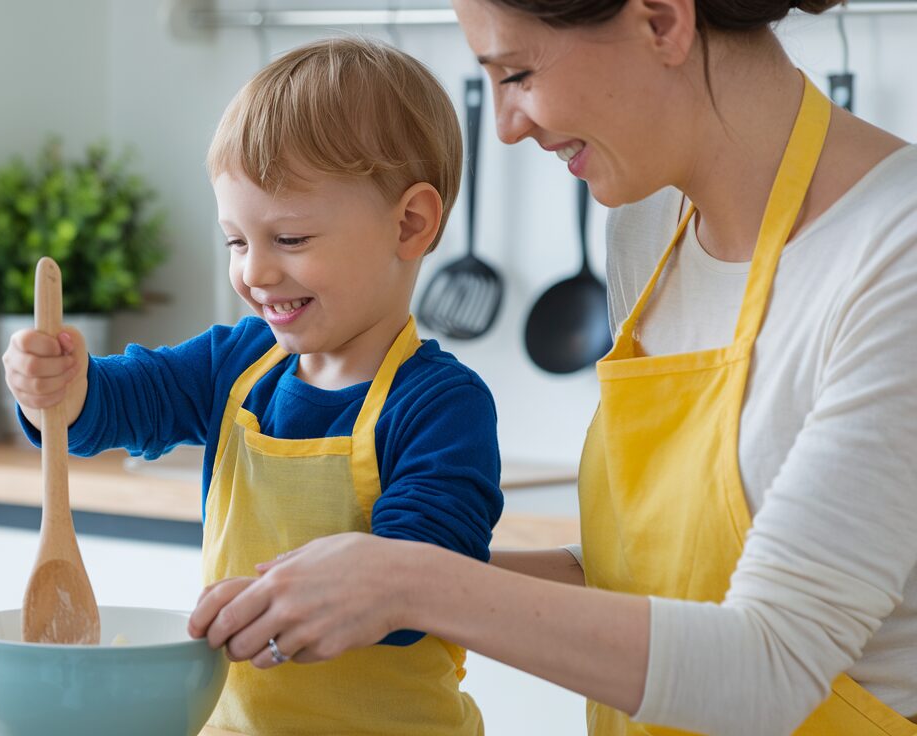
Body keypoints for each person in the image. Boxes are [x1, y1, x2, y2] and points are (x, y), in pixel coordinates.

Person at [188, 1, 917, 735]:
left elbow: (772, 670)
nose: (505, 126)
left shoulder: (896, 254)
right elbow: (645, 574)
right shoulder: (651, 224)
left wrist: (409, 581)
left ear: (661, 21)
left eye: (518, 73)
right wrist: (356, 583)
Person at [3, 37, 502, 735]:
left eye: (290, 239)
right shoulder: (236, 365)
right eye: (237, 241)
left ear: (409, 224)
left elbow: (421, 581)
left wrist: (282, 602)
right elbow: (110, 408)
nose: (255, 273)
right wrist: (53, 385)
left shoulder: (439, 405)